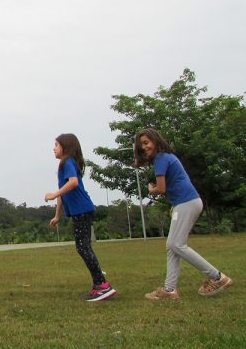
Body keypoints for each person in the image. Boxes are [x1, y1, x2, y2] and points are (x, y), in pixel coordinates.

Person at [134, 128, 233, 300]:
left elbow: (161, 188)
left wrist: (151, 190)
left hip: (187, 203)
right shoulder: (165, 157)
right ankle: (170, 290)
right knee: (172, 245)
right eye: (140, 145)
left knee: (177, 245)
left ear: (155, 141)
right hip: (184, 203)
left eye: (146, 142)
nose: (143, 147)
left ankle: (217, 277)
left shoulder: (160, 159)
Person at [45, 133, 116, 302]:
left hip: (82, 210)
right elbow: (64, 193)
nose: (53, 148)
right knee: (84, 248)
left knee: (83, 248)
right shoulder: (64, 165)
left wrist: (54, 194)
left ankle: (102, 285)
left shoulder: (67, 162)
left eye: (56, 145)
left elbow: (73, 183)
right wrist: (57, 216)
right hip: (80, 211)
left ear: (66, 147)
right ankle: (99, 283)